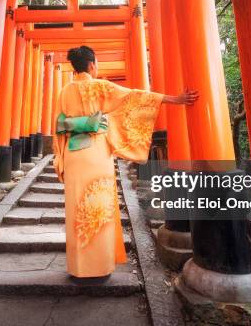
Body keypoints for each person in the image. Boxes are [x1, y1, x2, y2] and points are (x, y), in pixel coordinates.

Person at [53, 45, 198, 281]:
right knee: (99, 208)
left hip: (74, 154)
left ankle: (78, 268)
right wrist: (176, 99)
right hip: (96, 153)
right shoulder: (101, 87)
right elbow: (136, 97)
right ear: (92, 65)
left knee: (76, 209)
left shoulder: (64, 91)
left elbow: (59, 125)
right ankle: (98, 268)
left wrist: (60, 157)